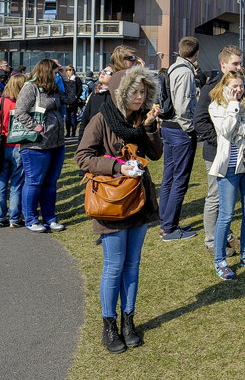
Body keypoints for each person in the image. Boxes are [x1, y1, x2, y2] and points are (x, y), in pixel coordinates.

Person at [75, 66, 162, 353]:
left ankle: (129, 321)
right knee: (114, 266)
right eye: (135, 92)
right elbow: (83, 157)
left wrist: (150, 128)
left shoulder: (141, 118)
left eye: (144, 92)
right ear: (120, 92)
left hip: (138, 199)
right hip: (111, 202)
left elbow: (155, 154)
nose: (140, 98)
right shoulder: (101, 119)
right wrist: (116, 165)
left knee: (132, 265)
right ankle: (109, 325)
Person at [208, 71, 245, 280]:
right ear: (225, 86)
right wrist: (233, 106)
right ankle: (220, 260)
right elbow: (225, 130)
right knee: (226, 214)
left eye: (241, 86)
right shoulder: (216, 106)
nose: (239, 90)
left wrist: (241, 128)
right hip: (228, 169)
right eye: (234, 86)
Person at [15, 59, 76, 232]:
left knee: (50, 183)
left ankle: (50, 218)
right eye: (55, 72)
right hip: (36, 145)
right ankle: (31, 219)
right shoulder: (30, 87)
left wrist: (66, 78)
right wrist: (36, 127)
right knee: (34, 182)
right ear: (46, 71)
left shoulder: (53, 87)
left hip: (56, 143)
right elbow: (20, 111)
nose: (57, 74)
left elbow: (70, 99)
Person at [193, 45, 242, 255]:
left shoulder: (241, 87)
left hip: (237, 153)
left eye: (241, 63)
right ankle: (212, 241)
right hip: (215, 153)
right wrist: (220, 140)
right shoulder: (210, 89)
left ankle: (226, 234)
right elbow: (200, 122)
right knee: (215, 196)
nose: (240, 67)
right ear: (223, 65)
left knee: (230, 196)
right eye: (235, 63)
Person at [158, 37, 200, 241]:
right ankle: (169, 227)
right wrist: (190, 129)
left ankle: (166, 221)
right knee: (179, 179)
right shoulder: (185, 72)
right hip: (179, 129)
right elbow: (183, 106)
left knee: (169, 177)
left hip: (168, 126)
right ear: (196, 54)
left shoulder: (174, 68)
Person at [0, 74, 27, 227]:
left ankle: (1, 215)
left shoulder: (2, 101)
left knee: (2, 182)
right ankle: (14, 217)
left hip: (3, 144)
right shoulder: (26, 104)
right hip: (19, 145)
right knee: (17, 183)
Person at [79, 67, 113, 139]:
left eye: (107, 72)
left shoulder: (115, 96)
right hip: (92, 136)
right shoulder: (95, 93)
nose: (103, 73)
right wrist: (81, 140)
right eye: (102, 71)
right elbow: (85, 118)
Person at [64, 65, 83, 137]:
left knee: (73, 116)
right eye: (69, 70)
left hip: (74, 101)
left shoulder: (76, 79)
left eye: (72, 70)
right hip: (66, 101)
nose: (71, 71)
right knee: (67, 118)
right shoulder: (65, 79)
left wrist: (76, 97)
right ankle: (68, 132)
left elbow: (80, 89)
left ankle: (73, 132)